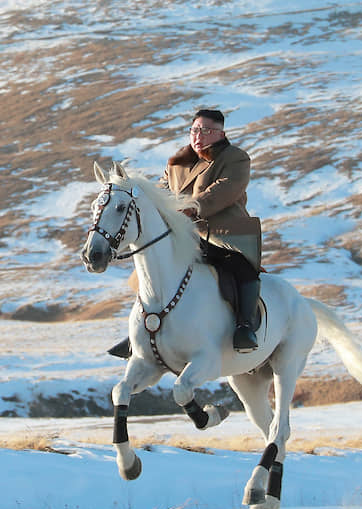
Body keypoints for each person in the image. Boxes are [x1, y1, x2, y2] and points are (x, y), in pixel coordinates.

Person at [108, 109, 262, 358]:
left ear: (220, 134)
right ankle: (143, 331)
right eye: (194, 130)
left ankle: (245, 327)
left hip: (223, 233)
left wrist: (190, 207)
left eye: (205, 131)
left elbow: (224, 190)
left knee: (241, 269)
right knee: (149, 271)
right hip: (183, 234)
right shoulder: (177, 162)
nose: (198, 135)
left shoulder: (235, 158)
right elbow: (162, 191)